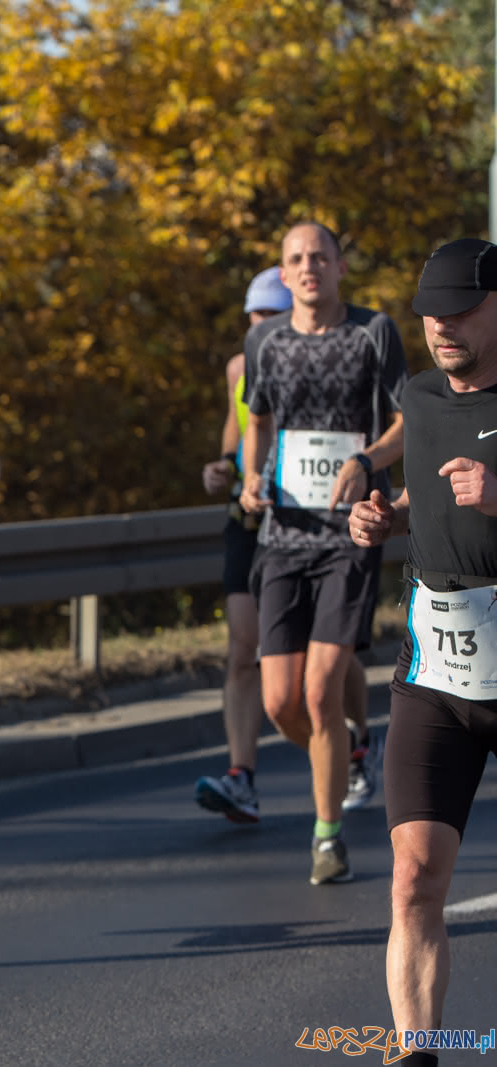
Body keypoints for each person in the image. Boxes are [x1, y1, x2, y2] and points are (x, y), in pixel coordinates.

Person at [349, 238, 497, 1067]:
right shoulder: (422, 395)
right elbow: (428, 498)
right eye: (430, 313)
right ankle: (418, 1055)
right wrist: (386, 516)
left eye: (460, 309)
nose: (441, 326)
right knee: (413, 877)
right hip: (436, 672)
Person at [238, 222, 407, 885]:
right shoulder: (263, 340)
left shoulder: (374, 331)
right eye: (295, 260)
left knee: (319, 691)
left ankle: (327, 834)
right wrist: (252, 477)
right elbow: (256, 419)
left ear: (339, 267)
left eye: (320, 257)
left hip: (350, 532)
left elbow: (407, 419)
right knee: (280, 701)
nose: (308, 268)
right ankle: (341, 758)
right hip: (282, 536)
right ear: (283, 275)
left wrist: (367, 460)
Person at [195, 267, 290, 823]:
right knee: (242, 648)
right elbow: (233, 447)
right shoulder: (238, 368)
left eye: (269, 315)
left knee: (322, 658)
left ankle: (355, 742)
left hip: (306, 520)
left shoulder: (324, 359)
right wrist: (219, 471)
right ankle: (241, 776)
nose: (258, 325)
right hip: (249, 519)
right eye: (252, 315)